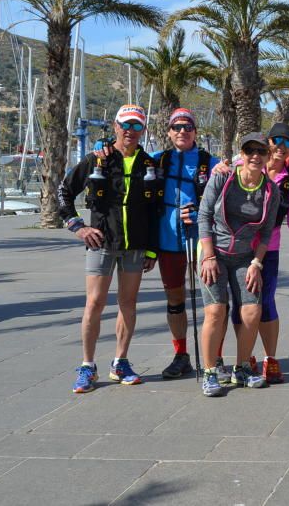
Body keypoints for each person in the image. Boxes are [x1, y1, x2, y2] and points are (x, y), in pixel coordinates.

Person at [58, 104, 160, 393]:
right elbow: (63, 190)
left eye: (137, 126)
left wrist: (152, 250)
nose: (130, 131)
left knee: (128, 303)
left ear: (143, 130)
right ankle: (88, 366)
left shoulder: (150, 164)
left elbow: (155, 211)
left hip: (136, 246)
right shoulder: (97, 159)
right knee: (95, 303)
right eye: (125, 125)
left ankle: (120, 362)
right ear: (115, 126)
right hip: (101, 243)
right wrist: (77, 226)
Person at [229, 122, 289, 384]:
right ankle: (245, 357)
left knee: (265, 302)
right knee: (241, 304)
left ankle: (270, 358)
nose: (281, 146)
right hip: (239, 248)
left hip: (270, 249)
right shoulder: (241, 167)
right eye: (276, 140)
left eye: (288, 142)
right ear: (267, 142)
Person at [197, 133, 279, 396]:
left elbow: (266, 233)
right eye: (249, 150)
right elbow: (204, 215)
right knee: (216, 311)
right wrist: (209, 257)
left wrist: (257, 263)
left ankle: (242, 367)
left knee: (252, 312)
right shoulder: (223, 178)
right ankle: (210, 372)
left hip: (246, 256)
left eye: (261, 151)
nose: (255, 155)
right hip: (214, 252)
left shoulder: (270, 190)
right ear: (241, 154)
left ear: (268, 156)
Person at [148, 109, 221, 380]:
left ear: (195, 131)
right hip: (168, 240)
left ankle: (216, 356)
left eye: (187, 127)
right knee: (175, 300)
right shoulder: (157, 160)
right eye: (177, 127)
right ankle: (181, 356)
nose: (182, 131)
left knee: (212, 302)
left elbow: (226, 195)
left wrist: (201, 207)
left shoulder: (209, 162)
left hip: (201, 241)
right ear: (169, 132)